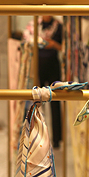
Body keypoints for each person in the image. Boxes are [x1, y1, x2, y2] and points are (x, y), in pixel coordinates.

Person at [24, 16, 63, 148]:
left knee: (55, 102)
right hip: (38, 66)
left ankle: (57, 139)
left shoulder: (58, 26)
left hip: (53, 66)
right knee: (37, 101)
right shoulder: (35, 24)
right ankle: (37, 136)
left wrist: (54, 45)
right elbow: (27, 41)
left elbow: (64, 47)